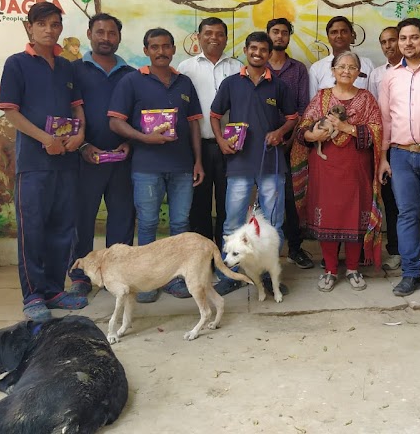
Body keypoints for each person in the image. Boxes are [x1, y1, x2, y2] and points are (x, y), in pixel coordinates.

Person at [0, 1, 88, 322]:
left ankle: (54, 289)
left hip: (66, 161)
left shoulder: (66, 67)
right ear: (29, 27)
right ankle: (33, 294)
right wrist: (44, 139)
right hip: (34, 163)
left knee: (63, 228)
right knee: (32, 229)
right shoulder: (17, 64)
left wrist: (79, 136)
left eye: (54, 24)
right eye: (42, 24)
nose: (49, 30)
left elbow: (77, 108)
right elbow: (11, 111)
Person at [108, 27, 204, 303]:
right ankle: (146, 281)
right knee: (148, 223)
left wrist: (197, 161)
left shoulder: (184, 82)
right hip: (146, 167)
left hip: (183, 167)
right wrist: (144, 138)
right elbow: (115, 121)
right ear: (146, 50)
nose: (161, 52)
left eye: (165, 47)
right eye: (154, 47)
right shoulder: (131, 81)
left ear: (174, 50)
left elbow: (194, 124)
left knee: (180, 224)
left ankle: (176, 279)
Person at [210, 31, 298, 296]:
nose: (258, 53)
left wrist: (280, 132)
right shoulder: (230, 84)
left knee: (273, 224)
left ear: (270, 54)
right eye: (253, 49)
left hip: (271, 164)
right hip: (238, 163)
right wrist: (221, 141)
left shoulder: (280, 86)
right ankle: (231, 274)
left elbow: (293, 117)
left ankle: (271, 275)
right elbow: (215, 116)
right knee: (232, 222)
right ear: (246, 51)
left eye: (263, 50)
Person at [292, 51, 383, 292]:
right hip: (326, 168)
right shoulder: (321, 97)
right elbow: (303, 129)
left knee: (354, 216)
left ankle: (353, 269)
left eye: (351, 67)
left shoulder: (366, 99)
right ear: (332, 71)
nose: (346, 71)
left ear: (358, 72)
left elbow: (376, 131)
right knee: (328, 217)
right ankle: (330, 270)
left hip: (356, 168)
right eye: (341, 67)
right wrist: (312, 134)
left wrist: (345, 127)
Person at [378, 18, 420, 299]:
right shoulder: (390, 76)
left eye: (414, 37)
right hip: (400, 154)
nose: (408, 43)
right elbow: (384, 120)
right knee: (406, 214)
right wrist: (383, 158)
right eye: (403, 38)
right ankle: (410, 275)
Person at [68, 13, 136, 297]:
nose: (106, 38)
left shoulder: (132, 74)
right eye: (100, 32)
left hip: (123, 159)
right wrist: (82, 146)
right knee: (82, 217)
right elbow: (66, 110)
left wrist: (131, 143)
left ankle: (115, 274)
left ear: (119, 38)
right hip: (85, 158)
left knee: (122, 218)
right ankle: (81, 275)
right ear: (89, 34)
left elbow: (138, 115)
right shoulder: (72, 70)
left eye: (112, 33)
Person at [177, 17, 242, 249]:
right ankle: (203, 256)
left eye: (219, 34)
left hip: (231, 148)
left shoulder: (237, 68)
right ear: (198, 36)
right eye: (208, 33)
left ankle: (226, 254)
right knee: (199, 205)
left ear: (226, 38)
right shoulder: (185, 68)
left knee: (229, 204)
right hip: (199, 147)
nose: (214, 38)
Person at [266, 17, 314, 269]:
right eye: (275, 32)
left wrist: (288, 140)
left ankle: (295, 247)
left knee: (291, 198)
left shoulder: (298, 69)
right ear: (267, 34)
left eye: (284, 33)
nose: (279, 37)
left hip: (291, 145)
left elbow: (303, 109)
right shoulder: (257, 66)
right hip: (260, 146)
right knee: (263, 198)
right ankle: (262, 252)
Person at [367, 26, 402, 270]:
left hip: (414, 143)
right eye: (383, 42)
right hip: (385, 145)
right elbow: (371, 111)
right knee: (390, 200)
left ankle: (419, 252)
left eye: (393, 40)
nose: (389, 45)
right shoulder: (377, 74)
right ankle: (396, 250)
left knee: (415, 203)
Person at [308, 16, 375, 97]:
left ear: (352, 35)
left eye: (344, 31)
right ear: (328, 38)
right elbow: (313, 103)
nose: (339, 36)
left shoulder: (367, 64)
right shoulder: (317, 69)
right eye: (334, 32)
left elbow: (373, 99)